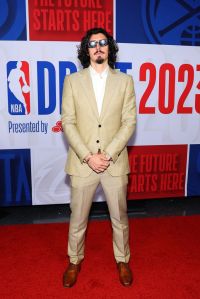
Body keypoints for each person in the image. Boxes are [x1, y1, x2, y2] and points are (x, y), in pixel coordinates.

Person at [61, 27, 136, 288]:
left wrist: (107, 154)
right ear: (86, 50)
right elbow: (67, 122)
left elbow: (129, 122)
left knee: (120, 217)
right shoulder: (72, 81)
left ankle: (122, 259)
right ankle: (74, 260)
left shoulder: (125, 81)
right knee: (78, 217)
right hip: (84, 163)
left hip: (114, 163)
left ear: (109, 48)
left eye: (103, 42)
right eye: (93, 44)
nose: (98, 47)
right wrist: (88, 157)